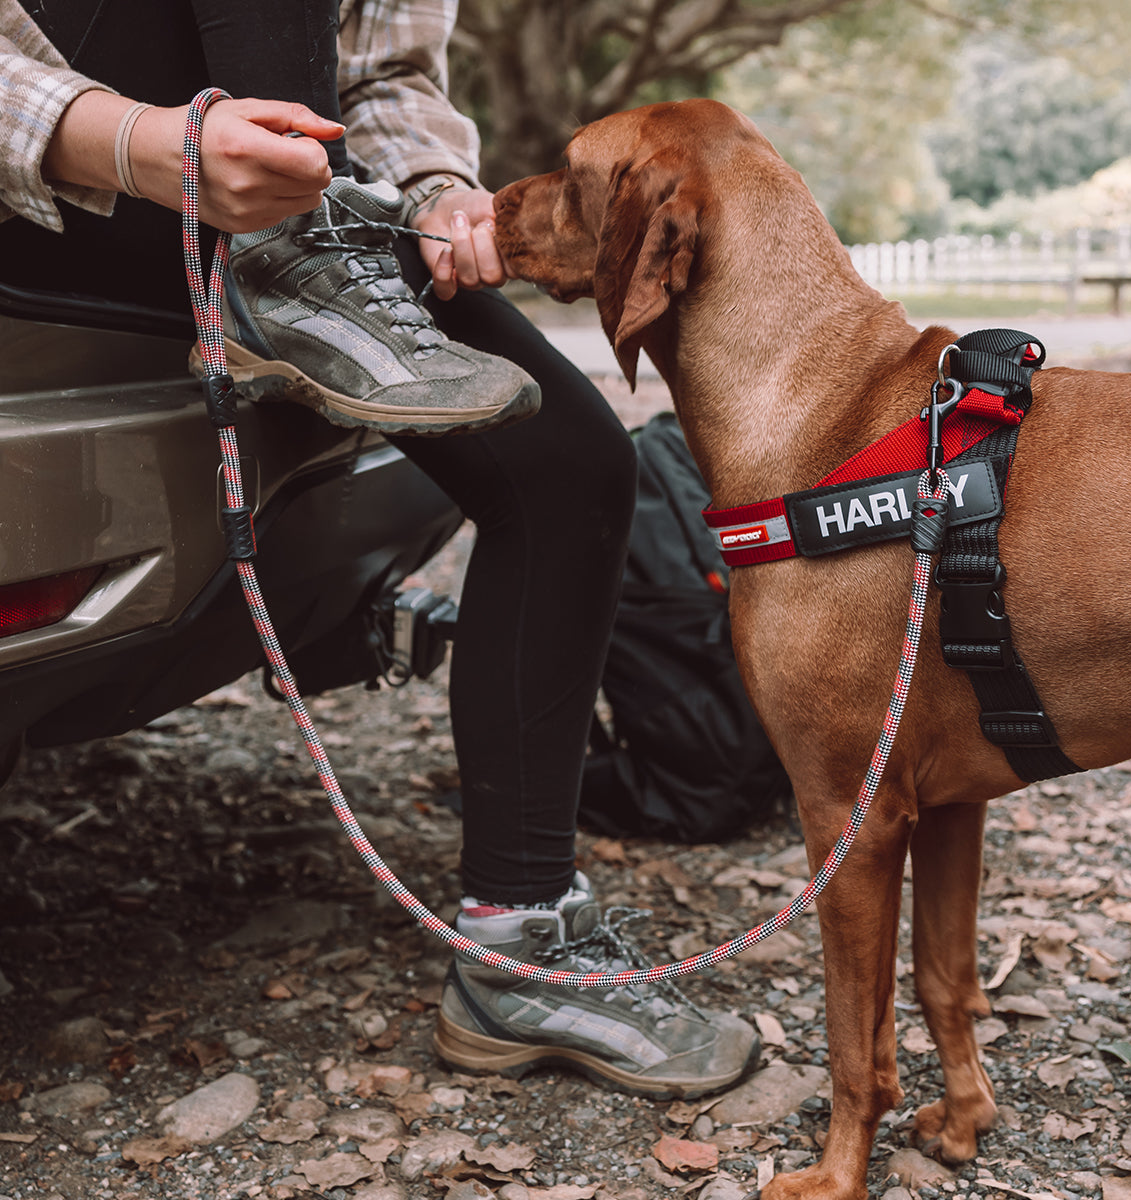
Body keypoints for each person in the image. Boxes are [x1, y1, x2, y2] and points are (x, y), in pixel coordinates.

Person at [0, 0, 760, 1099]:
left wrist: (440, 195)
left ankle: (520, 947)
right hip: (57, 176)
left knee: (569, 462)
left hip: (282, 212)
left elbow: (386, 76)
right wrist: (141, 145)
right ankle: (282, 265)